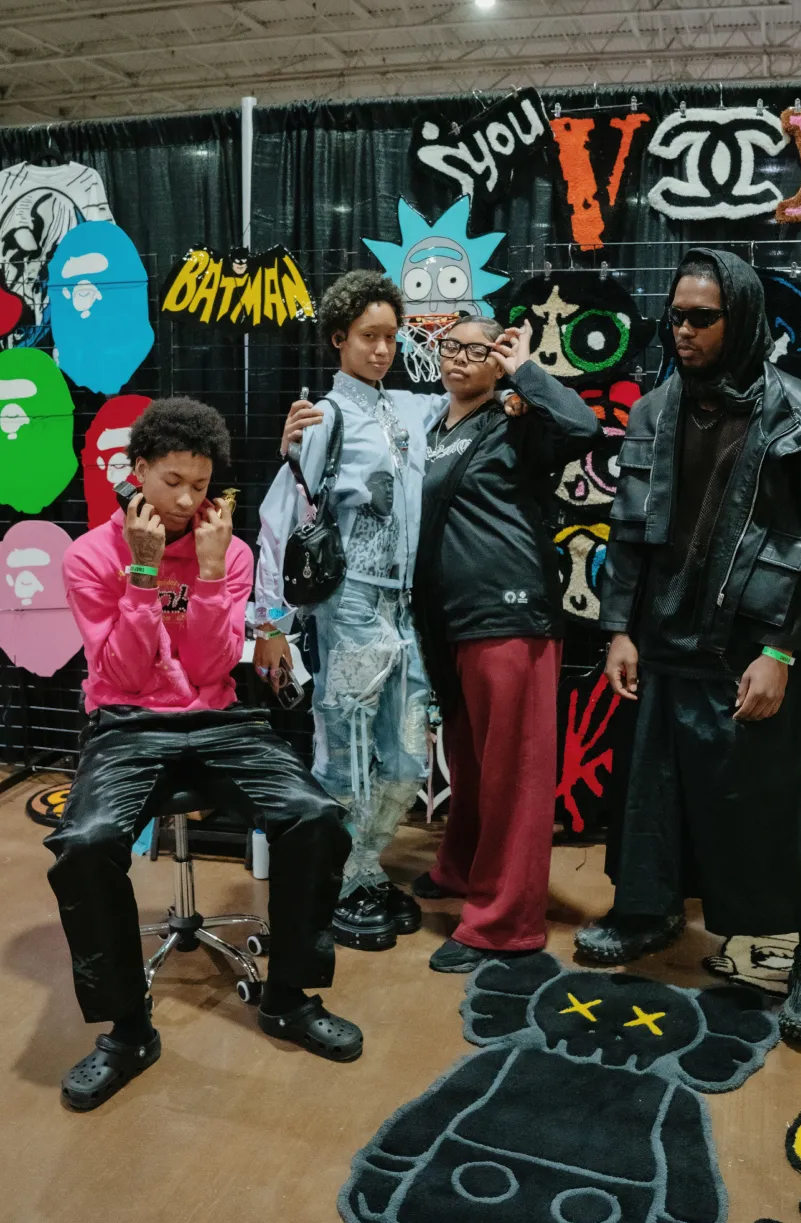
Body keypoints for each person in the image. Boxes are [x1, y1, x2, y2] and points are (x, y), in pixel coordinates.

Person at [574, 248, 801, 1046]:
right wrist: (618, 629)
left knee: (778, 803)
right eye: (675, 318)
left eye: (701, 318)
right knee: (653, 789)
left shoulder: (799, 411)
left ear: (742, 318)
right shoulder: (656, 410)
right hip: (664, 638)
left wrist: (782, 653)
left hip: (752, 646)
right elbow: (630, 531)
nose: (682, 332)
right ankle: (649, 910)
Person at [46, 398, 361, 1113]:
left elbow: (215, 665)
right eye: (173, 482)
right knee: (85, 844)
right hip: (127, 722)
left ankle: (287, 998)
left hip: (218, 718)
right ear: (137, 472)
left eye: (201, 484)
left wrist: (213, 574)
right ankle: (128, 1032)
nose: (189, 501)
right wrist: (144, 573)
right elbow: (124, 673)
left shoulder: (230, 550)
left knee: (315, 816)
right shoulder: (90, 556)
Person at [255, 272, 444, 953]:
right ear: (339, 338)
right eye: (368, 336)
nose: (382, 349)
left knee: (406, 747)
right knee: (347, 748)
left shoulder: (415, 409)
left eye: (391, 337)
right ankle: (340, 877)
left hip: (406, 603)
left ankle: (367, 863)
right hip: (350, 602)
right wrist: (269, 623)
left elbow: (467, 397)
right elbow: (280, 520)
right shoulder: (322, 418)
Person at [408, 317, 599, 972]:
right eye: (450, 346)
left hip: (510, 619)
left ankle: (504, 922)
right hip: (450, 623)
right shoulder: (433, 429)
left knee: (513, 775)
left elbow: (582, 427)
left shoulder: (516, 422)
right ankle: (462, 868)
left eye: (477, 349)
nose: (459, 358)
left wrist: (527, 372)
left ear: (498, 361)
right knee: (470, 761)